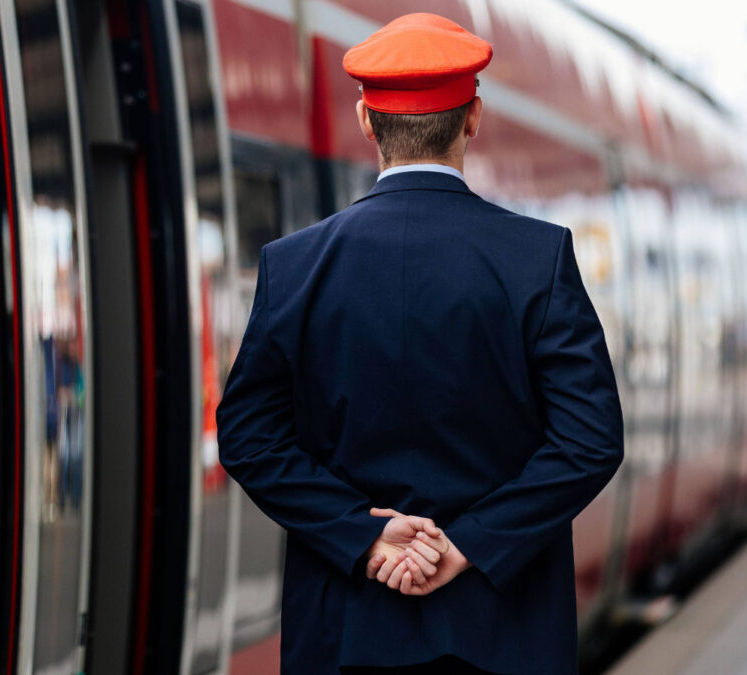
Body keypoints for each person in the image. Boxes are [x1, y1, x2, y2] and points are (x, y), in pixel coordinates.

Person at [215, 13, 623, 675]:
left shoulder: (294, 266)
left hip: (343, 633)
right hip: (504, 633)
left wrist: (365, 533)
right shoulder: (537, 259)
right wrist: (467, 544)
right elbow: (591, 439)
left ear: (366, 121)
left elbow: (247, 436)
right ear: (473, 119)